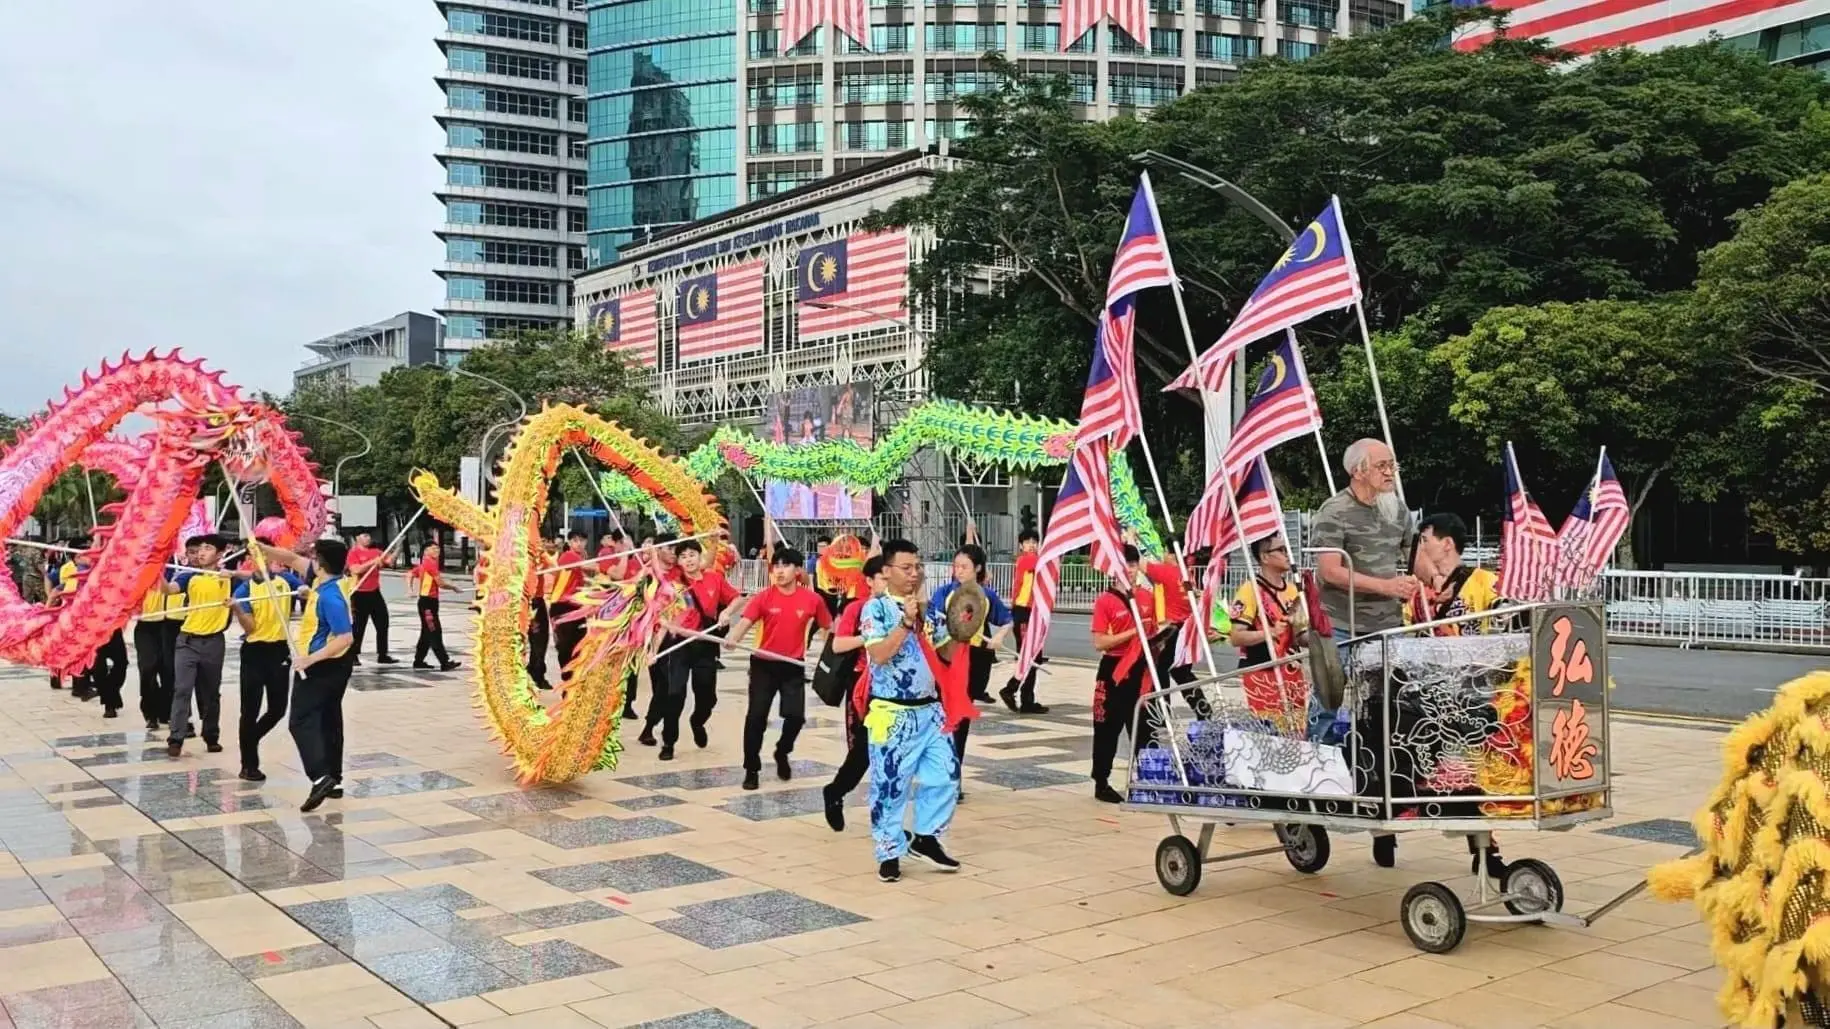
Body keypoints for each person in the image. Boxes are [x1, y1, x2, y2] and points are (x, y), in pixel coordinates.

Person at [1311, 438, 1418, 868]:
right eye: (1382, 465)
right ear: (1358, 471)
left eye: (1392, 464)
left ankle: (1385, 820)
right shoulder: (1333, 512)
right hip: (1340, 626)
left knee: (1392, 716)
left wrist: (1442, 574)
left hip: (1389, 628)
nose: (1390, 472)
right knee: (1325, 710)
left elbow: (1413, 558)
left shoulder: (1398, 509)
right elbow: (1329, 572)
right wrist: (1387, 586)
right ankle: (1309, 802)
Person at [860, 538, 961, 882]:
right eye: (906, 567)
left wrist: (963, 629)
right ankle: (888, 852)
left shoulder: (931, 610)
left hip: (931, 711)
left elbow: (945, 655)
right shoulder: (875, 609)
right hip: (893, 712)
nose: (914, 573)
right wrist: (905, 623)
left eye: (917, 566)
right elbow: (879, 655)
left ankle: (927, 836)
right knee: (890, 785)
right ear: (886, 572)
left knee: (946, 775)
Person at [724, 548, 832, 791]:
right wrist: (733, 638)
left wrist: (833, 660)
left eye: (786, 566)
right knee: (756, 717)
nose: (780, 571)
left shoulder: (812, 600)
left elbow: (828, 629)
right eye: (777, 566)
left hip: (793, 666)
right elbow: (744, 623)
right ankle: (751, 769)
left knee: (795, 717)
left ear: (797, 570)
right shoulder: (764, 597)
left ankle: (782, 751)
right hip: (764, 664)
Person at [926, 544, 1010, 800]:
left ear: (978, 569)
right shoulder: (944, 593)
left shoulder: (985, 596)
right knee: (946, 718)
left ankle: (953, 777)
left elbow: (1006, 620)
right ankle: (944, 776)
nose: (958, 571)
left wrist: (998, 638)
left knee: (960, 719)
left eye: (964, 567)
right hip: (948, 659)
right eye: (956, 566)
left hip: (975, 662)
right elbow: (932, 621)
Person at [645, 537, 738, 758]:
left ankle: (698, 722)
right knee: (675, 694)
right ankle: (668, 743)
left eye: (692, 555)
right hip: (680, 646)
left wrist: (726, 613)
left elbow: (737, 599)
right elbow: (664, 620)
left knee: (707, 697)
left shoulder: (714, 579)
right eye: (683, 556)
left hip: (705, 646)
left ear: (699, 556)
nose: (688, 560)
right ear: (678, 561)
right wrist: (653, 651)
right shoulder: (674, 584)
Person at [1089, 545, 1161, 804]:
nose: (1130, 571)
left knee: (1144, 725)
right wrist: (1134, 632)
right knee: (1107, 726)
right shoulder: (1105, 601)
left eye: (1133, 565)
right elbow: (1100, 642)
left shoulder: (1147, 597)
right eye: (1125, 565)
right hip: (1114, 669)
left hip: (1140, 667)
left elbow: (1153, 632)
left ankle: (1147, 779)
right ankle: (1102, 781)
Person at [290, 539, 356, 813]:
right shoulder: (329, 584)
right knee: (329, 720)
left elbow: (345, 638)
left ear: (319, 563)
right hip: (331, 666)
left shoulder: (331, 596)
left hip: (321, 667)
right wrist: (259, 549)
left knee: (301, 721)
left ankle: (320, 776)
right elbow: (291, 559)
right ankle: (335, 779)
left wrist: (309, 659)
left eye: (313, 557)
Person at [823, 554, 887, 832]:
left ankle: (886, 817)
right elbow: (838, 645)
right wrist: (869, 637)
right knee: (862, 750)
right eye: (884, 577)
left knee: (892, 752)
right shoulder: (857, 609)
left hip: (897, 687)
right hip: (864, 686)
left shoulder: (904, 608)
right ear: (870, 581)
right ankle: (836, 791)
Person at [229, 548, 302, 782]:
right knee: (249, 711)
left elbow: (309, 593)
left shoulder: (286, 581)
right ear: (249, 560)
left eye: (264, 554)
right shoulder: (245, 590)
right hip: (254, 652)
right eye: (254, 556)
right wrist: (238, 609)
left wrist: (306, 592)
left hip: (279, 650)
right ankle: (248, 764)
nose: (261, 560)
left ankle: (251, 738)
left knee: (278, 709)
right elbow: (250, 628)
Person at [163, 534, 233, 758]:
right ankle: (176, 737)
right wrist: (155, 573)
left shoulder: (230, 577)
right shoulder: (189, 575)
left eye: (208, 548)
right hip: (187, 641)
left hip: (214, 642)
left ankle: (211, 735)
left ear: (220, 553)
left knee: (211, 693)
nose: (201, 552)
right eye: (200, 548)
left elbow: (260, 577)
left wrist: (234, 574)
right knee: (182, 689)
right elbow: (170, 589)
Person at [1228, 535, 1307, 733]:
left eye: (1287, 549)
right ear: (1264, 557)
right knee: (1271, 733)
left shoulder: (1293, 591)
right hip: (1262, 672)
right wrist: (1270, 632)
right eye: (1281, 550)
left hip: (1292, 671)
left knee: (1297, 731)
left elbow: (1301, 636)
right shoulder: (1250, 590)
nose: (1287, 554)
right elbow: (1236, 637)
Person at [1142, 543, 1211, 720]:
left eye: (1165, 551)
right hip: (1185, 631)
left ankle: (1162, 712)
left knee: (1161, 670)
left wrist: (1131, 538)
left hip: (1171, 630)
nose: (1163, 554)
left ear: (1172, 554)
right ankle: (1202, 709)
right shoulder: (1187, 574)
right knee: (1181, 672)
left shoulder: (1167, 571)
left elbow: (1139, 563)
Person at [1409, 513, 1503, 634]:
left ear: (1448, 544)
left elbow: (1507, 615)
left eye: (1424, 540)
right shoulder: (1416, 587)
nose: (1419, 548)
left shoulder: (1483, 580)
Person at [998, 529, 1049, 714]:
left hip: (1032, 612)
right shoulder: (1025, 560)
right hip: (1024, 612)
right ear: (1021, 545)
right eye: (1027, 542)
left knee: (1033, 657)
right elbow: (1043, 562)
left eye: (1034, 541)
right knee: (1029, 657)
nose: (1032, 545)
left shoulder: (1033, 560)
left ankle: (1027, 699)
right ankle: (1011, 690)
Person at [133, 568, 176, 730]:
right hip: (145, 627)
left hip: (166, 625)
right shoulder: (137, 571)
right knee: (147, 669)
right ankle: (150, 712)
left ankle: (167, 712)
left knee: (168, 671)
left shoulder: (172, 568)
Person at [344, 531, 395, 666]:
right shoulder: (353, 553)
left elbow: (389, 562)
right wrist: (373, 562)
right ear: (357, 538)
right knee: (359, 626)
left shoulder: (376, 552)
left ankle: (383, 654)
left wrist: (395, 551)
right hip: (359, 593)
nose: (368, 538)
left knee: (383, 623)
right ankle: (353, 655)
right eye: (364, 536)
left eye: (369, 536)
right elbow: (355, 570)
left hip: (374, 592)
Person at [548, 531, 590, 688]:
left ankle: (575, 681)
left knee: (579, 646)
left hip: (577, 608)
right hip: (562, 607)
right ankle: (567, 682)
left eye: (582, 540)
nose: (579, 543)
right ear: (570, 542)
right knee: (565, 647)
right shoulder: (568, 556)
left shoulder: (581, 557)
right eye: (575, 540)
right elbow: (592, 567)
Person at [408, 544, 460, 671]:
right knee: (434, 632)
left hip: (429, 603)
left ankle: (418, 661)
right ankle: (445, 662)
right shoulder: (430, 563)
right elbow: (440, 583)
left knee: (426, 633)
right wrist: (453, 587)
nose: (437, 550)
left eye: (438, 548)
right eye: (433, 548)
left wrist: (410, 589)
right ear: (426, 551)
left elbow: (409, 574)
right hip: (427, 604)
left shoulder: (424, 563)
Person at [527, 542, 554, 690]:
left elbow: (553, 566)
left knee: (540, 640)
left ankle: (536, 671)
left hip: (538, 600)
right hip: (529, 602)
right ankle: (534, 673)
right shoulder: (522, 559)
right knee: (535, 640)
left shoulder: (539, 557)